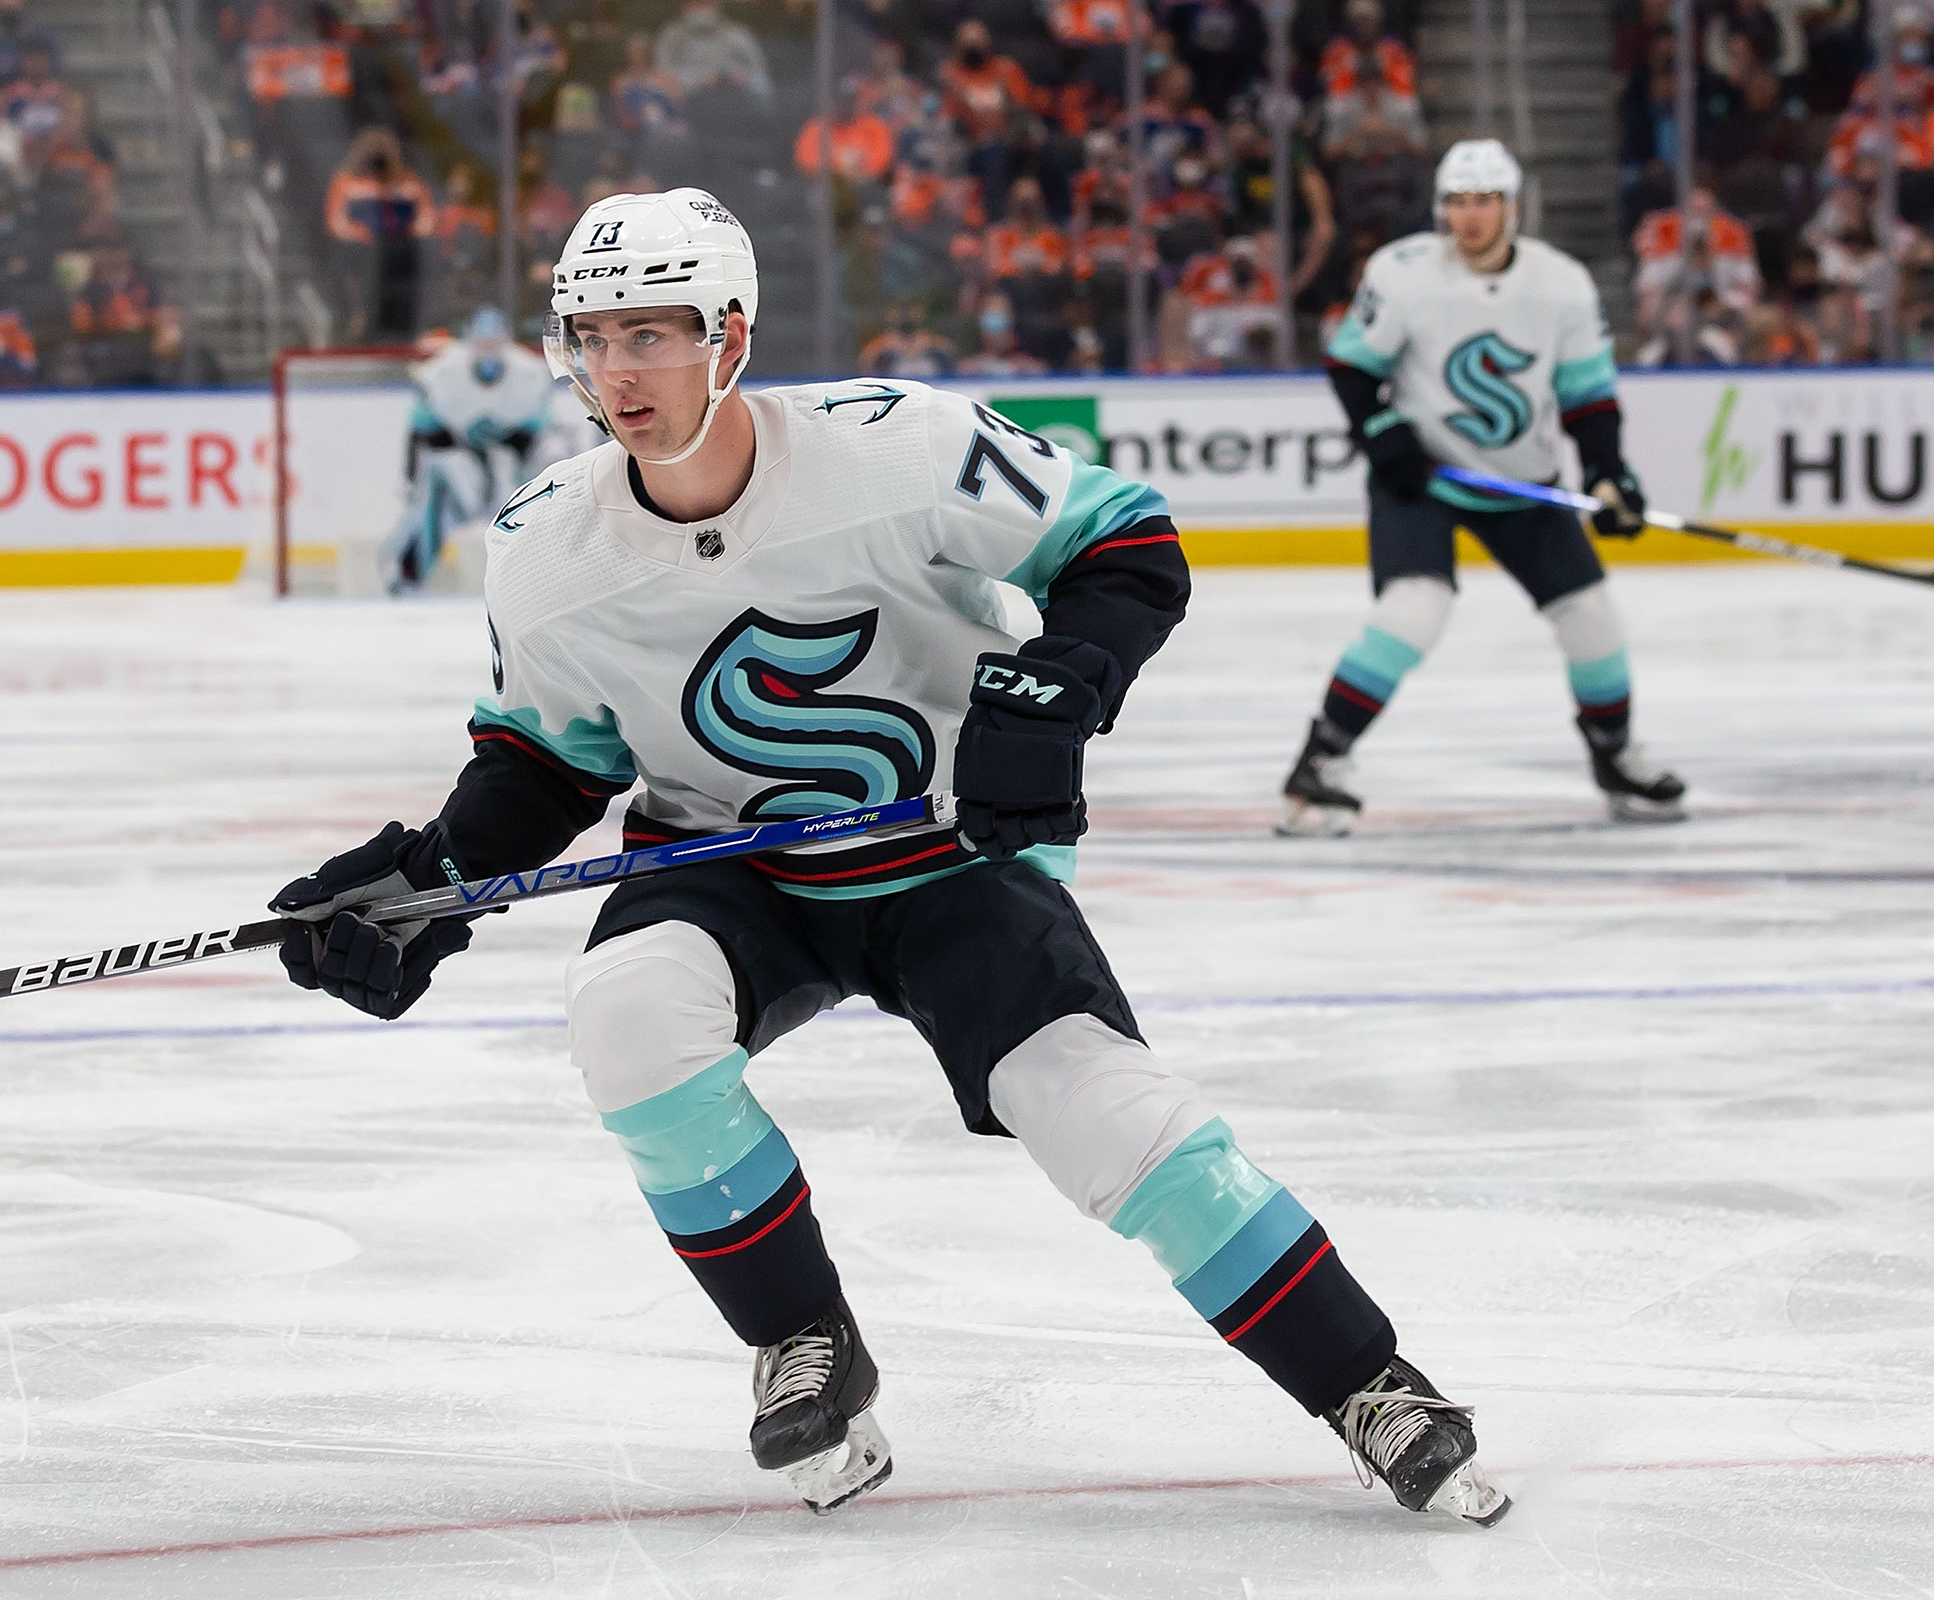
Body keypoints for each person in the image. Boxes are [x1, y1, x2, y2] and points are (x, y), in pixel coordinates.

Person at [269, 186, 1513, 1528]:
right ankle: (804, 1338)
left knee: (1098, 1111)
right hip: (725, 867)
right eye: (592, 337)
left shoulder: (900, 448)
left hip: (949, 856)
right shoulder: (542, 550)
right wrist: (425, 882)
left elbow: (1128, 543)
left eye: (653, 334)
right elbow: (547, 764)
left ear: (730, 337)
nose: (618, 372)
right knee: (625, 1013)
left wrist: (1052, 694)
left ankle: (1364, 1381)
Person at [1284, 139, 1685, 835]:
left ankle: (1615, 756)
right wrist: (1385, 435)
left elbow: (1588, 396)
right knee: (1414, 611)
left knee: (1593, 620)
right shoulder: (1405, 273)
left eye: (1484, 202)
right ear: (1442, 208)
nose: (1470, 217)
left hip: (1524, 486)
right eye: (1458, 202)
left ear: (1512, 207)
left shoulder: (1561, 283)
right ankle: (1321, 761)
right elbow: (1351, 367)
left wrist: (1607, 473)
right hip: (1425, 480)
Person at [383, 305, 559, 593]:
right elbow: (422, 432)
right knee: (437, 495)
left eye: (493, 342)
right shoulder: (440, 374)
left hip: (509, 468)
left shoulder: (531, 375)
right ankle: (408, 574)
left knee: (537, 515)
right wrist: (412, 477)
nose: (487, 350)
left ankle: (543, 581)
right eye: (481, 342)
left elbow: (535, 439)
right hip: (460, 466)